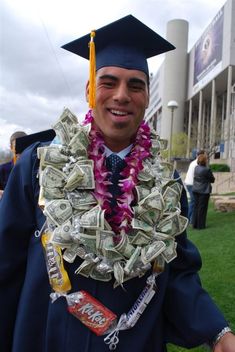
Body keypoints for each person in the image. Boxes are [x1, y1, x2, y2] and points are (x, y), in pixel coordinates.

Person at [0, 15, 234, 352]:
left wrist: (217, 331)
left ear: (147, 96)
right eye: (108, 82)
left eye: (136, 85)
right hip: (46, 337)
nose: (122, 95)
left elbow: (177, 273)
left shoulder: (166, 186)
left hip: (134, 342)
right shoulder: (39, 167)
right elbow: (5, 269)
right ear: (89, 90)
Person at [0, 131, 27, 199]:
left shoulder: (36, 168)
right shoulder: (3, 169)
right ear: (11, 147)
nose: (20, 150)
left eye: (24, 146)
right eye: (16, 146)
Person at [192, 153, 215, 229]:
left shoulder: (196, 168)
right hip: (204, 191)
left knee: (196, 207)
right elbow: (212, 180)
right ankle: (200, 225)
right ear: (205, 161)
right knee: (202, 208)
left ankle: (194, 224)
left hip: (195, 190)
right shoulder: (207, 170)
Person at [184, 149, 205, 223]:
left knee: (194, 201)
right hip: (191, 184)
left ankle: (191, 219)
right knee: (193, 202)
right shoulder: (197, 164)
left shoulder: (193, 162)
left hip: (189, 183)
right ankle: (188, 219)